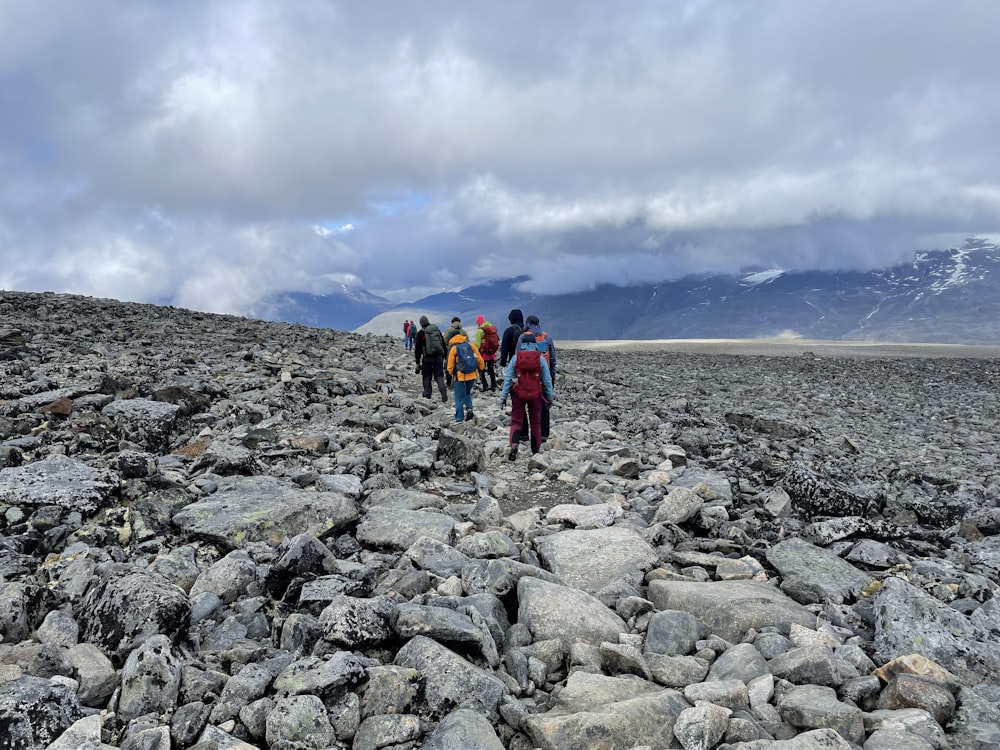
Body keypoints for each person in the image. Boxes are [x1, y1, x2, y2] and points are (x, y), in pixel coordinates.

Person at [499, 332, 553, 459]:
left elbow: (508, 379)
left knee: (516, 421)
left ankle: (514, 444)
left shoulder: (516, 357)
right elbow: (547, 380)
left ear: (522, 344)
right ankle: (535, 451)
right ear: (535, 344)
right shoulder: (540, 358)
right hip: (536, 395)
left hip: (518, 394)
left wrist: (503, 397)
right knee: (536, 422)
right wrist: (549, 397)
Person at [521, 314, 557, 442]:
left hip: (526, 377)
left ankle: (524, 434)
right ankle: (543, 434)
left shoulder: (523, 337)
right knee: (544, 404)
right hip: (543, 376)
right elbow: (552, 359)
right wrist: (552, 377)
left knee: (524, 403)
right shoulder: (547, 337)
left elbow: (517, 357)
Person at [446, 325, 484, 423]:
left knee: (459, 398)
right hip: (472, 374)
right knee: (467, 393)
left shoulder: (454, 348)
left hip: (460, 376)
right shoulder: (470, 345)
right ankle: (469, 409)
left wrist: (450, 374)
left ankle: (459, 419)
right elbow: (479, 358)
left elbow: (449, 365)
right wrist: (481, 368)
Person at [414, 315, 448, 402]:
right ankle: (443, 391)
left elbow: (417, 349)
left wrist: (417, 362)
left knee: (427, 375)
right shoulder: (436, 330)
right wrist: (445, 356)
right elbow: (442, 343)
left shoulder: (421, 333)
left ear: (421, 324)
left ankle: (427, 394)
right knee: (439, 375)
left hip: (427, 358)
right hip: (439, 357)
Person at [474, 314, 500, 392]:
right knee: (491, 369)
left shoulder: (480, 330)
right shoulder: (491, 328)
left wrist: (476, 351)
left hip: (483, 353)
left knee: (481, 369)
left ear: (478, 322)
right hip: (491, 353)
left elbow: (478, 343)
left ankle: (485, 385)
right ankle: (493, 384)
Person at [443, 316, 462, 388]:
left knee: (449, 365)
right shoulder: (463, 331)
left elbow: (444, 341)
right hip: (462, 352)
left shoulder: (449, 330)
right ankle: (459, 381)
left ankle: (448, 382)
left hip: (451, 350)